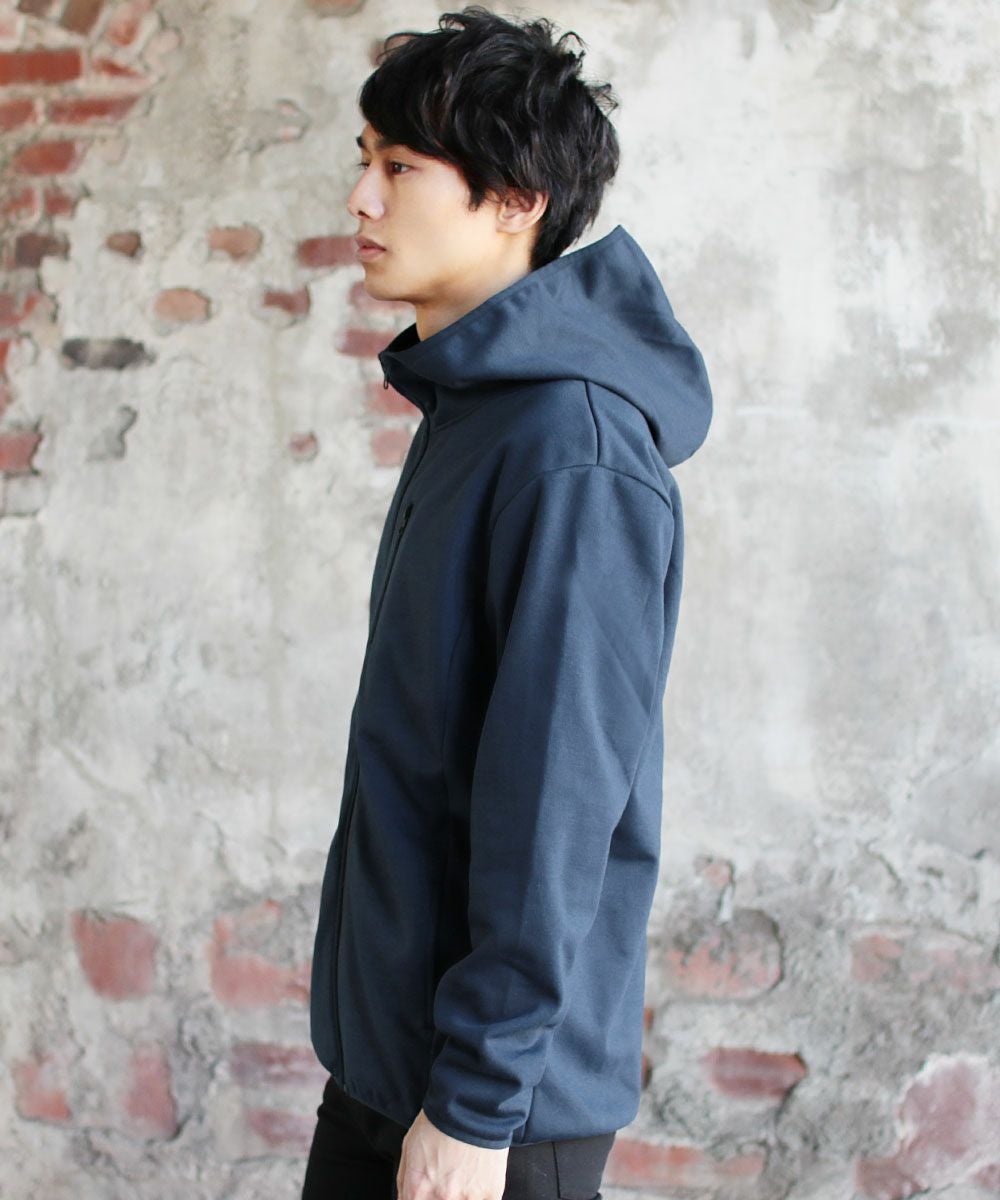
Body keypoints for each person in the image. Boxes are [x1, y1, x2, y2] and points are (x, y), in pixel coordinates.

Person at [302, 7, 713, 1199]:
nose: (360, 200)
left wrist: (475, 1104)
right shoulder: (476, 412)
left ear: (516, 200)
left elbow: (555, 803)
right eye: (363, 162)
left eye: (400, 169)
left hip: (491, 1112)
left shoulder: (569, 450)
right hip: (393, 1069)